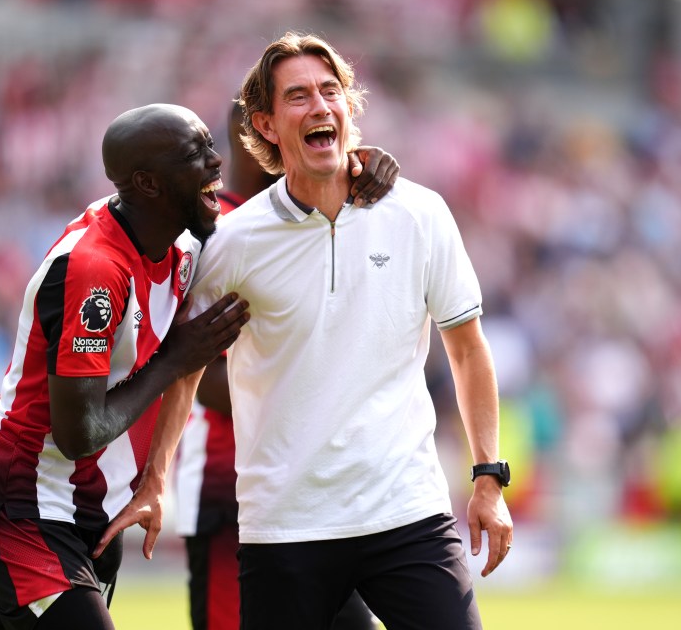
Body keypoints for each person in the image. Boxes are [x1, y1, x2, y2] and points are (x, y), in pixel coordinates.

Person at [104, 33, 514, 629]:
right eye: (298, 96)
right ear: (266, 125)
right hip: (284, 528)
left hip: (407, 514)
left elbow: (469, 350)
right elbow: (186, 365)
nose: (320, 106)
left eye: (331, 91)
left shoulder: (421, 214)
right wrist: (155, 479)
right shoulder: (231, 242)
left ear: (350, 107)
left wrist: (488, 477)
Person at [0, 103, 253, 630]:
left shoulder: (182, 240)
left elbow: (269, 204)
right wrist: (175, 358)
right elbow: (78, 433)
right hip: (22, 503)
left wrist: (357, 173)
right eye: (195, 153)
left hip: (89, 510)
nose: (215, 162)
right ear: (148, 183)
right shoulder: (95, 270)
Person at [173, 98, 398, 630]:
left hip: (316, 484)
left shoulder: (318, 220)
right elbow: (202, 378)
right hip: (231, 482)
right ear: (257, 134)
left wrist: (370, 170)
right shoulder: (214, 232)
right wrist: (322, 395)